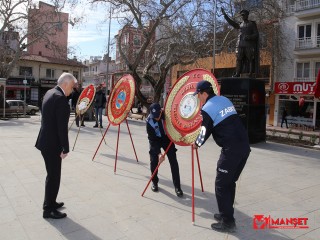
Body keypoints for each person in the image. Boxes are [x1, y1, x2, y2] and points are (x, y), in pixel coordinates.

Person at [192, 80, 250, 232]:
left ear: (203, 93)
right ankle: (226, 213)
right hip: (244, 146)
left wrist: (196, 144)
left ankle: (228, 222)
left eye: (198, 95)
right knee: (229, 183)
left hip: (232, 150)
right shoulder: (224, 99)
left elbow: (205, 130)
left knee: (221, 185)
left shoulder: (207, 108)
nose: (198, 99)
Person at [35, 73, 77, 219]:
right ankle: (48, 209)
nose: (72, 91)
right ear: (65, 84)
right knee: (54, 177)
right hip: (52, 145)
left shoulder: (49, 93)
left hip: (45, 141)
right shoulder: (60, 99)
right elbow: (61, 128)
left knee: (51, 175)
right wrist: (65, 148)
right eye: (71, 87)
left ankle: (51, 201)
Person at [146, 103, 183, 197]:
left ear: (161, 111)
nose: (157, 118)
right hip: (156, 140)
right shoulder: (149, 122)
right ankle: (154, 182)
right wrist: (158, 154)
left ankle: (177, 187)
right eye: (154, 116)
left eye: (158, 115)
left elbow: (175, 126)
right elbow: (152, 140)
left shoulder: (167, 115)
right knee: (154, 160)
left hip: (167, 139)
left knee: (173, 161)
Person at [221, 8, 259, 77]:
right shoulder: (240, 25)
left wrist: (250, 37)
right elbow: (232, 23)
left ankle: (250, 73)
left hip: (248, 45)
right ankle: (237, 73)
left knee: (250, 59)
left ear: (247, 15)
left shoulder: (252, 24)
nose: (242, 16)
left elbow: (256, 34)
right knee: (239, 59)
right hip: (240, 45)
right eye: (241, 15)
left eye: (243, 15)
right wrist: (225, 15)